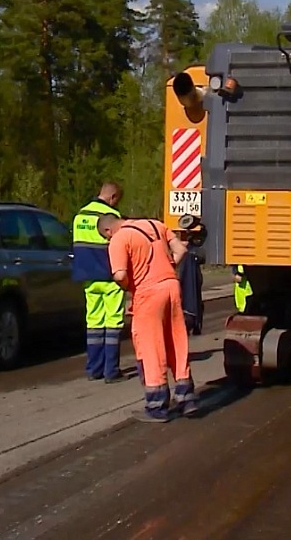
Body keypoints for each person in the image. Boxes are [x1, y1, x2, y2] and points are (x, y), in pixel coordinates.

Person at [98, 213, 198, 422]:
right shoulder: (156, 225)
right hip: (171, 286)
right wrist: (170, 267)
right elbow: (181, 249)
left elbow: (120, 275)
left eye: (106, 237)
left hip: (148, 293)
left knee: (151, 348)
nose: (108, 240)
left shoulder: (119, 238)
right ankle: (186, 398)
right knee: (176, 342)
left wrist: (129, 288)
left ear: (108, 231)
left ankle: (157, 405)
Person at [71, 181, 127, 383]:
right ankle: (111, 371)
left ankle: (93, 369)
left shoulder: (80, 215)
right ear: (113, 198)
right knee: (113, 323)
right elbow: (121, 246)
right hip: (110, 277)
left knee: (94, 322)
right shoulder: (112, 217)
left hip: (87, 278)